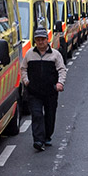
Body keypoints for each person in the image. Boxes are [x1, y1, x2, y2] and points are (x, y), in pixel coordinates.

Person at [23, 22, 68, 151]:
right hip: (34, 92)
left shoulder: (55, 54)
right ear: (35, 41)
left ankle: (47, 136)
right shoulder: (29, 54)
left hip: (50, 91)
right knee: (36, 114)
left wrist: (60, 83)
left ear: (47, 40)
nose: (40, 42)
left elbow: (62, 69)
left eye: (43, 39)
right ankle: (38, 140)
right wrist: (26, 81)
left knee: (50, 115)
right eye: (38, 40)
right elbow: (23, 69)